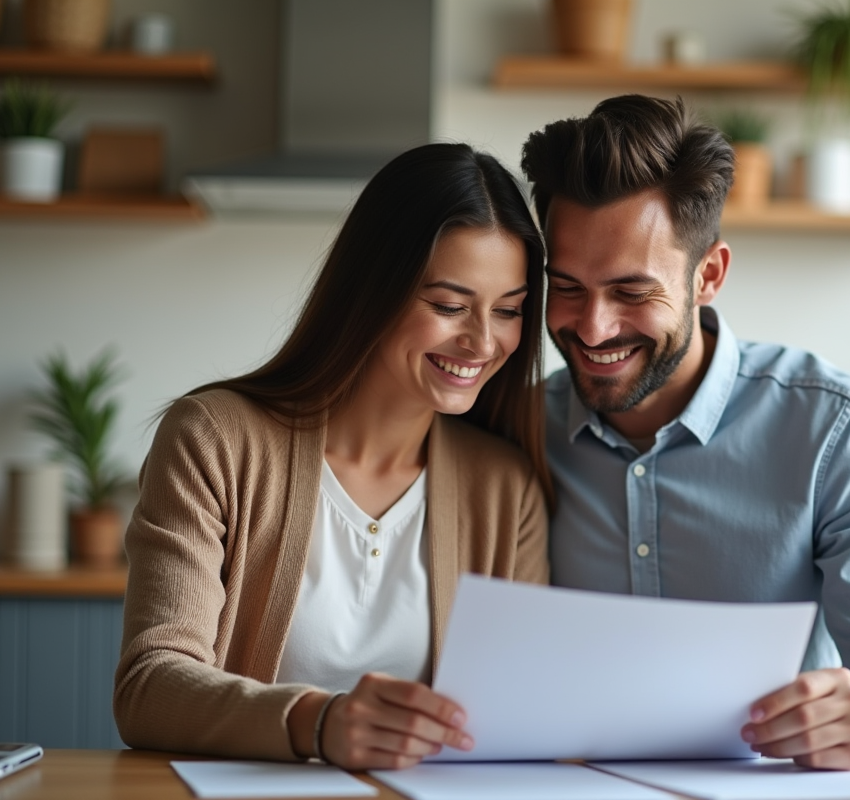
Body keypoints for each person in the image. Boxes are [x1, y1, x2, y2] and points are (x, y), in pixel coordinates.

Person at [521, 95, 850, 769]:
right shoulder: (517, 426)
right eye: (569, 288)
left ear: (709, 275)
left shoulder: (834, 426)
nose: (593, 327)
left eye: (632, 293)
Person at [113, 143, 551, 771]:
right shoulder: (214, 439)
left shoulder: (506, 489)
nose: (483, 341)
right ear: (372, 291)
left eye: (508, 310)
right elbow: (149, 686)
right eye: (449, 306)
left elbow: (520, 711)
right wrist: (320, 722)